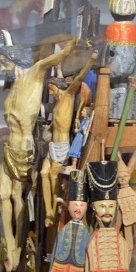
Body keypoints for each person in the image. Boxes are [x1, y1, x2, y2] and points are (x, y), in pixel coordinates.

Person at [0, 34, 77, 272]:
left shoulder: (33, 74)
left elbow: (55, 57)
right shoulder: (14, 84)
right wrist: (8, 40)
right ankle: (9, 243)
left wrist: (71, 41)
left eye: (4, 61)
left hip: (23, 149)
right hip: (8, 147)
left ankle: (19, 245)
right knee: (3, 195)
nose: (1, 66)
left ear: (14, 60)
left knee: (16, 197)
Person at [42, 50, 98, 227]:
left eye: (52, 90)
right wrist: (58, 67)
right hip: (52, 146)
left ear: (58, 88)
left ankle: (51, 212)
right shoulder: (59, 102)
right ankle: (49, 209)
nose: (51, 93)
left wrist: (91, 61)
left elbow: (79, 78)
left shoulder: (68, 96)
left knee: (51, 175)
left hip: (62, 148)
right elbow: (60, 79)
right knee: (43, 173)